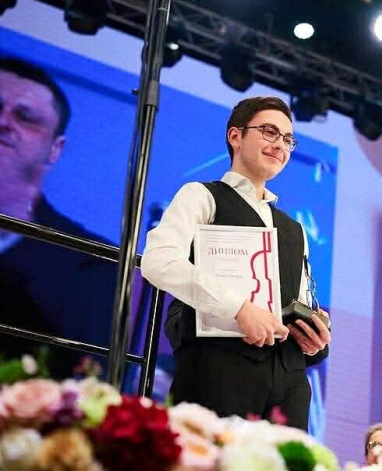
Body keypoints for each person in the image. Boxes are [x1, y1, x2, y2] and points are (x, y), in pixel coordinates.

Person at [141, 96, 330, 430]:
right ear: (235, 136)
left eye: (288, 139)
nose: (280, 145)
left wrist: (312, 333)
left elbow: (298, 302)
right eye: (270, 132)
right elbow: (159, 261)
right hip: (219, 368)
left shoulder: (294, 229)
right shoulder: (202, 196)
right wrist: (239, 308)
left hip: (289, 383)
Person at [0, 56, 115, 376]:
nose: (4, 122)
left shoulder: (93, 263)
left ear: (55, 148)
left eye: (25, 117)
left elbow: (87, 382)